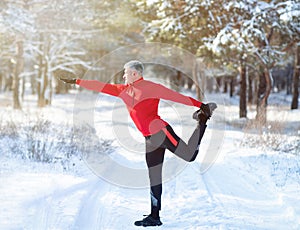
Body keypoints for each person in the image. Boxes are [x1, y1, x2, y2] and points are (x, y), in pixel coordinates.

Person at [60, 60, 217, 227]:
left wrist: (201, 106)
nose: (123, 75)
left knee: (189, 155)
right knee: (154, 177)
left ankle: (202, 119)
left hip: (161, 132)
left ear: (135, 73)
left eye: (125, 72)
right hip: (149, 139)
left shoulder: (151, 87)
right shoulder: (123, 90)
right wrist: (77, 81)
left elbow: (176, 96)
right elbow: (101, 86)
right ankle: (154, 217)